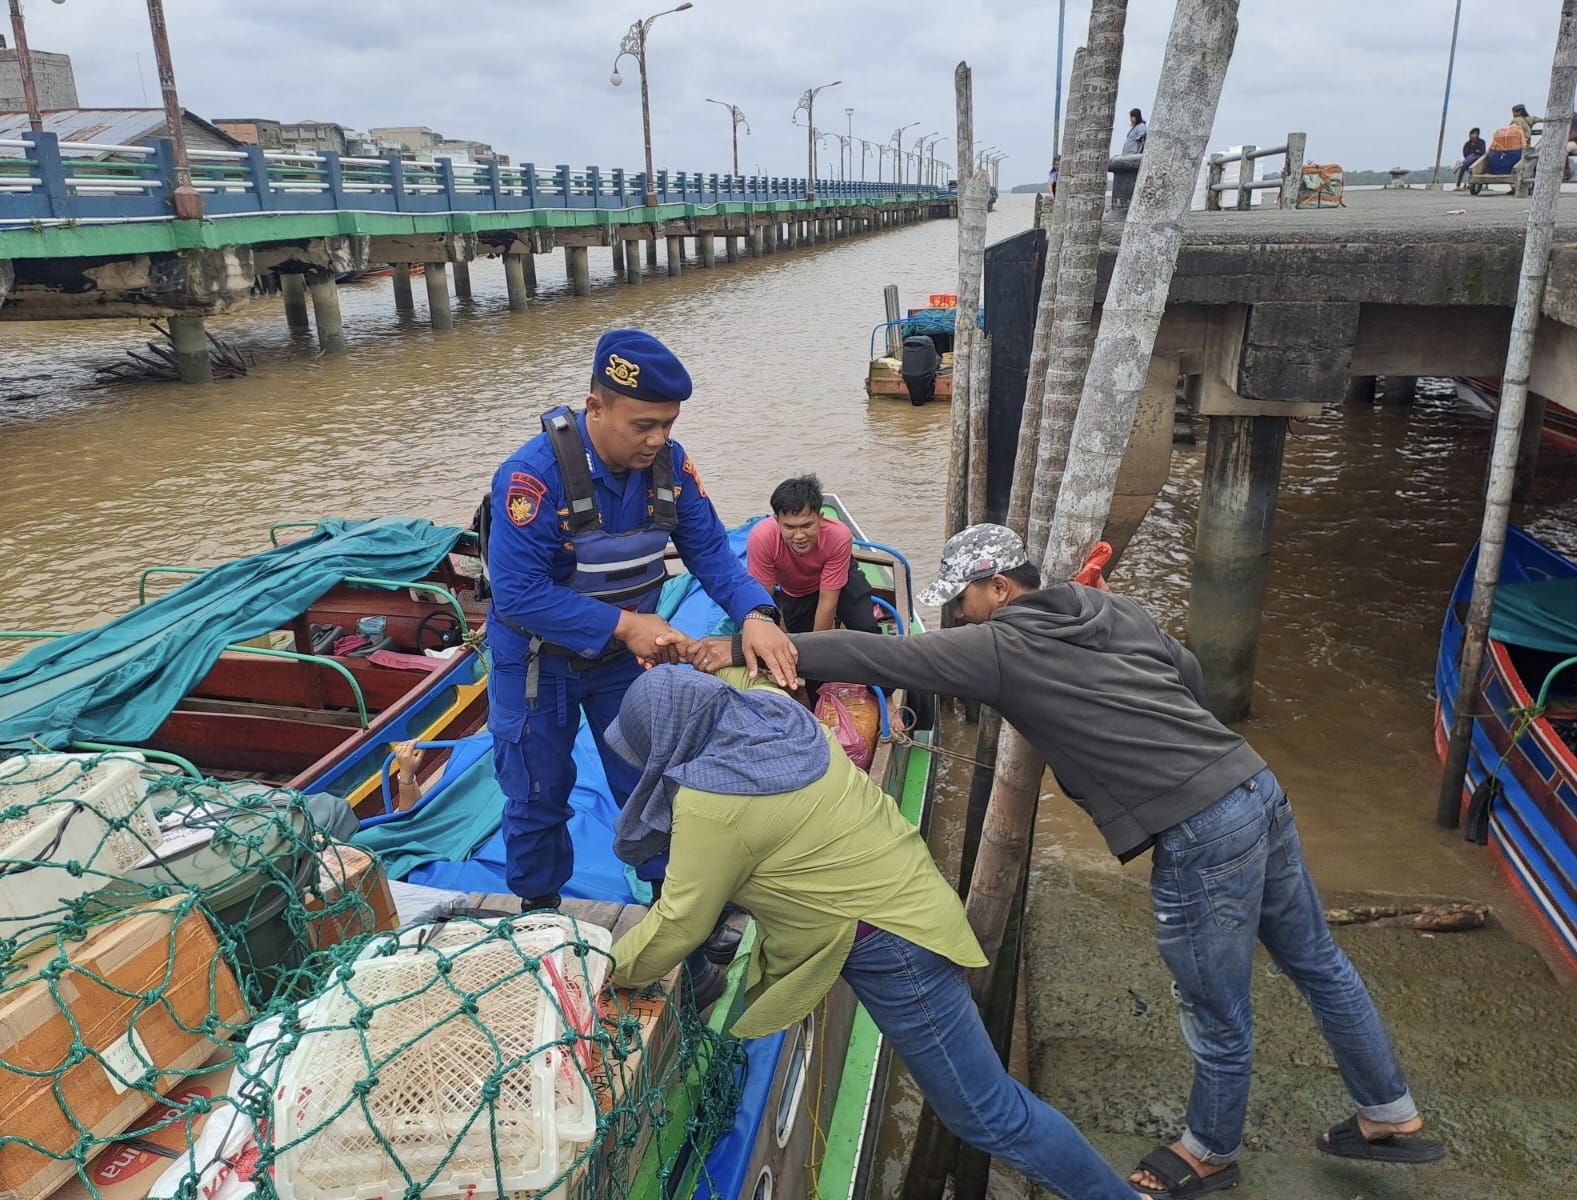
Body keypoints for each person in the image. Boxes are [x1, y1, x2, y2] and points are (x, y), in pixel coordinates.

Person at [681, 524, 1445, 1199]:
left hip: (1200, 828)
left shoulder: (1003, 645)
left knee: (1214, 1006)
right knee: (1317, 961)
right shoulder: (1107, 606)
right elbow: (1188, 678)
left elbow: (886, 655)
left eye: (965, 600)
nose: (961, 616)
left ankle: (1209, 1152)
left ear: (999, 586)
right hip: (1253, 784)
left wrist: (761, 646)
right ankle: (1387, 1113)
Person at [606, 666, 1144, 1200]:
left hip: (895, 944)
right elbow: (742, 680)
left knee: (987, 1112)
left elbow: (680, 922)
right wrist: (722, 649)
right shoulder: (778, 715)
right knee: (987, 1104)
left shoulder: (710, 807)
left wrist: (609, 970)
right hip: (906, 887)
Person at [481, 328, 797, 913]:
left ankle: (671, 908)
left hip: (624, 663)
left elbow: (709, 550)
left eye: (668, 424)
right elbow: (518, 594)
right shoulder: (532, 477)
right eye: (643, 425)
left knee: (653, 781)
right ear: (595, 407)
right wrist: (628, 626)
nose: (658, 439)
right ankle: (539, 911)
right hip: (536, 664)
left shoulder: (671, 467)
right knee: (536, 790)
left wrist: (755, 612)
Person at [746, 475, 881, 636]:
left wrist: (819, 644)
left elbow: (828, 599)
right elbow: (763, 598)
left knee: (866, 628)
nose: (799, 536)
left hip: (841, 579)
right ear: (777, 521)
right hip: (797, 588)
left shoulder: (838, 536)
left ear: (820, 518)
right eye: (789, 527)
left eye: (807, 525)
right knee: (800, 635)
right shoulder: (761, 538)